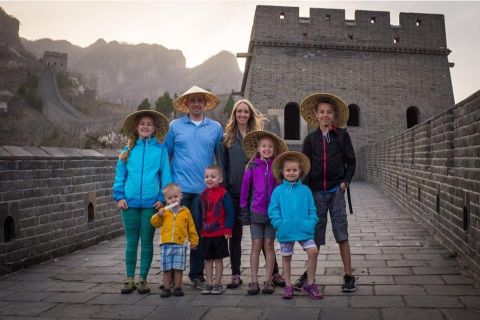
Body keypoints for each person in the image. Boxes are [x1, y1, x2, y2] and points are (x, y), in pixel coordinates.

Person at [163, 85, 223, 290]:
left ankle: (196, 274)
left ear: (206, 104)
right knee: (174, 233)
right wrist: (168, 188)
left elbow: (219, 157)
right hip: (178, 192)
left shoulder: (215, 127)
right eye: (192, 101)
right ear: (186, 104)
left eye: (200, 100)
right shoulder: (175, 126)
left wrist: (219, 185)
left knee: (198, 233)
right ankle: (171, 275)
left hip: (203, 191)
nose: (196, 104)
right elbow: (166, 156)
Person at [222, 99, 285, 289]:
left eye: (245, 112)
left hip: (259, 193)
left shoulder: (257, 137)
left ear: (250, 114)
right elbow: (223, 165)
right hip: (235, 190)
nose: (242, 114)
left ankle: (273, 274)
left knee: (266, 238)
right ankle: (235, 273)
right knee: (236, 234)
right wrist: (224, 187)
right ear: (234, 114)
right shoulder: (227, 139)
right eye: (239, 111)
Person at [299, 92, 357, 292]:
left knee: (341, 232)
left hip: (336, 191)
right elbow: (304, 167)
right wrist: (305, 191)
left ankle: (348, 275)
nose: (325, 115)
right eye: (322, 112)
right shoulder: (310, 139)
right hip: (316, 193)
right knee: (315, 235)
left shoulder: (342, 136)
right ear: (315, 114)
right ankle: (309, 274)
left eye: (329, 112)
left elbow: (351, 161)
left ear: (334, 115)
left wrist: (345, 182)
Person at [113, 110, 172, 294]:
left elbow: (166, 177)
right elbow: (119, 176)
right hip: (128, 204)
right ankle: (129, 278)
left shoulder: (160, 150)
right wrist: (119, 196)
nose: (145, 126)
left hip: (150, 205)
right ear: (137, 128)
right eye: (142, 124)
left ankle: (143, 280)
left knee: (147, 242)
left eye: (149, 124)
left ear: (154, 128)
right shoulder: (127, 151)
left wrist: (162, 199)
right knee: (131, 241)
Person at [239, 130, 288, 295]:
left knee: (269, 245)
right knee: (255, 245)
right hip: (256, 213)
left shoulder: (277, 168)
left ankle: (268, 281)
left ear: (274, 150)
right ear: (258, 148)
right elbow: (245, 191)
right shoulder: (252, 167)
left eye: (270, 147)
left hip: (273, 214)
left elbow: (283, 190)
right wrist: (243, 210)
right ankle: (254, 281)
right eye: (263, 146)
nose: (266, 149)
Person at [268, 151, 322, 299]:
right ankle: (288, 285)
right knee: (286, 257)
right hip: (286, 230)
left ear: (300, 171)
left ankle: (309, 283)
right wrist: (279, 224)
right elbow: (273, 210)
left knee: (313, 251)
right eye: (288, 170)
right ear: (282, 171)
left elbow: (312, 210)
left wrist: (311, 222)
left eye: (294, 170)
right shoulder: (278, 191)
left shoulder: (306, 191)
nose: (291, 173)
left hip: (304, 229)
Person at [150, 183, 198, 298]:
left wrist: (194, 241)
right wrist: (158, 215)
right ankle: (166, 288)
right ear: (166, 199)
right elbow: (154, 223)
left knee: (178, 268)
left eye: (175, 197)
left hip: (180, 244)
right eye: (170, 198)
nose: (173, 200)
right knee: (166, 268)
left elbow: (191, 228)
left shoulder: (186, 211)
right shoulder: (164, 211)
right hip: (166, 244)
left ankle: (177, 287)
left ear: (181, 196)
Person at [199, 165, 234, 295]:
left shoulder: (224, 193)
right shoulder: (203, 194)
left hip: (219, 232)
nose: (209, 179)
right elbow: (201, 213)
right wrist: (200, 229)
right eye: (207, 177)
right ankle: (208, 283)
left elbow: (230, 212)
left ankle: (218, 283)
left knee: (218, 259)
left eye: (213, 177)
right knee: (208, 260)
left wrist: (228, 229)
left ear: (220, 179)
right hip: (206, 233)